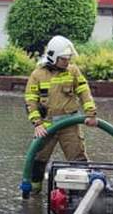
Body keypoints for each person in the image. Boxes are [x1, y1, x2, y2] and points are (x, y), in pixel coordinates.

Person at [24, 35, 99, 192]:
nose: (67, 62)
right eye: (64, 59)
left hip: (69, 124)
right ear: (53, 57)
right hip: (46, 125)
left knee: (78, 160)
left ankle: (81, 192)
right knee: (38, 159)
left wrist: (91, 114)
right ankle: (33, 192)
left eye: (69, 58)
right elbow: (30, 100)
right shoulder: (37, 75)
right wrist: (37, 123)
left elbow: (84, 91)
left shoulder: (72, 71)